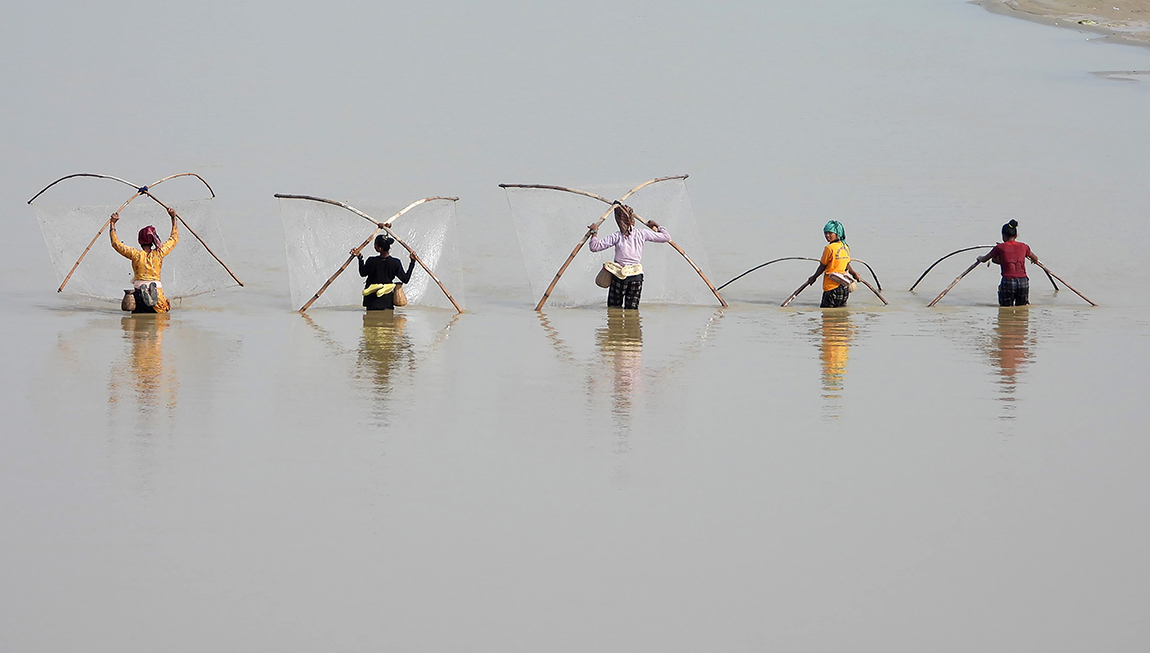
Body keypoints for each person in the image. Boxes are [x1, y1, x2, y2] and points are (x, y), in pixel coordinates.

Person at [588, 203, 671, 309]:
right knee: (632, 311)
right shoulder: (642, 233)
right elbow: (666, 237)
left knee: (614, 309)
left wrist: (594, 232)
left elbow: (594, 247)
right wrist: (657, 226)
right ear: (633, 221)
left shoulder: (617, 236)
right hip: (636, 277)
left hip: (619, 277)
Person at [109, 207, 179, 313]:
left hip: (138, 297)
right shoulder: (159, 253)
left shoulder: (135, 254)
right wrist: (173, 217)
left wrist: (112, 224)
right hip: (158, 297)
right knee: (159, 324)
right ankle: (151, 292)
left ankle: (144, 290)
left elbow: (116, 244)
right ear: (153, 240)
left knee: (138, 326)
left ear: (139, 241)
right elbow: (173, 239)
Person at [976, 219, 1040, 307]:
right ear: (1016, 235)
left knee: (1005, 308)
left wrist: (979, 258)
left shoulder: (999, 247)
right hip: (1023, 282)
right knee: (1021, 309)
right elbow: (1035, 258)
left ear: (1003, 236)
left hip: (1008, 281)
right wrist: (1034, 260)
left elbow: (985, 259)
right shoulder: (1024, 246)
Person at [806, 220, 861, 308]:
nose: (827, 236)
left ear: (838, 233)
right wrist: (853, 273)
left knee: (827, 317)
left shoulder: (829, 248)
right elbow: (846, 264)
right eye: (825, 233)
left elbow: (823, 265)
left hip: (831, 288)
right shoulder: (845, 247)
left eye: (830, 233)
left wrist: (814, 277)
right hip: (844, 288)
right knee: (842, 317)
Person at [355, 235, 414, 310]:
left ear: (380, 248)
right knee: (387, 320)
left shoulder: (371, 261)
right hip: (387, 300)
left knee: (370, 320)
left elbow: (362, 273)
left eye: (375, 244)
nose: (374, 246)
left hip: (371, 301)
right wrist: (412, 262)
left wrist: (360, 259)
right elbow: (405, 279)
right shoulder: (395, 262)